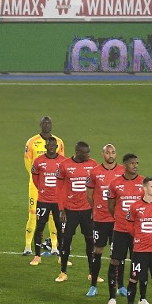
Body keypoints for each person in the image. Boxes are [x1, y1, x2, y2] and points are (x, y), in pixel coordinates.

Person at [106, 154, 149, 304]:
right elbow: (111, 206)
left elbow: (148, 206)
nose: (135, 166)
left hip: (138, 232)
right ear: (124, 165)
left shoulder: (144, 183)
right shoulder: (115, 183)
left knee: (140, 264)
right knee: (115, 262)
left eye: (137, 163)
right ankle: (112, 297)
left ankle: (142, 298)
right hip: (120, 231)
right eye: (132, 163)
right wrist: (120, 219)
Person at [55, 142, 97, 283]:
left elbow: (96, 188)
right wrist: (61, 209)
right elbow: (59, 188)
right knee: (66, 241)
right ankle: (63, 272)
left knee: (90, 241)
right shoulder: (65, 165)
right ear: (78, 152)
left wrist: (94, 208)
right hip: (70, 211)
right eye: (86, 152)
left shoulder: (93, 164)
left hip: (87, 211)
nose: (89, 154)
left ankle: (92, 273)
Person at [84, 144, 122, 297]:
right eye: (108, 152)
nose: (111, 155)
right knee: (97, 251)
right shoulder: (94, 172)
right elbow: (89, 195)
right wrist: (97, 209)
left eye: (113, 152)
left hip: (117, 221)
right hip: (100, 219)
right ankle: (93, 285)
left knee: (117, 253)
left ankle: (121, 286)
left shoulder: (121, 171)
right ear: (103, 154)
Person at [24, 116, 64, 255]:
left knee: (54, 216)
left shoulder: (58, 142)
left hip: (54, 186)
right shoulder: (32, 142)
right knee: (33, 215)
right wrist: (38, 179)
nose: (47, 125)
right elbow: (28, 163)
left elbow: (62, 164)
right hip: (36, 186)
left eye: (49, 123)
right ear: (40, 124)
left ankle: (54, 247)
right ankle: (28, 246)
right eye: (44, 123)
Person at [30, 137, 66, 266]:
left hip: (58, 201)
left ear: (56, 147)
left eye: (53, 145)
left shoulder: (63, 162)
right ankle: (37, 255)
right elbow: (35, 178)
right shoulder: (39, 161)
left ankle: (62, 257)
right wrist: (42, 189)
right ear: (45, 147)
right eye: (48, 145)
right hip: (43, 200)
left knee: (61, 228)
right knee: (39, 226)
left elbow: (66, 179)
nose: (51, 147)